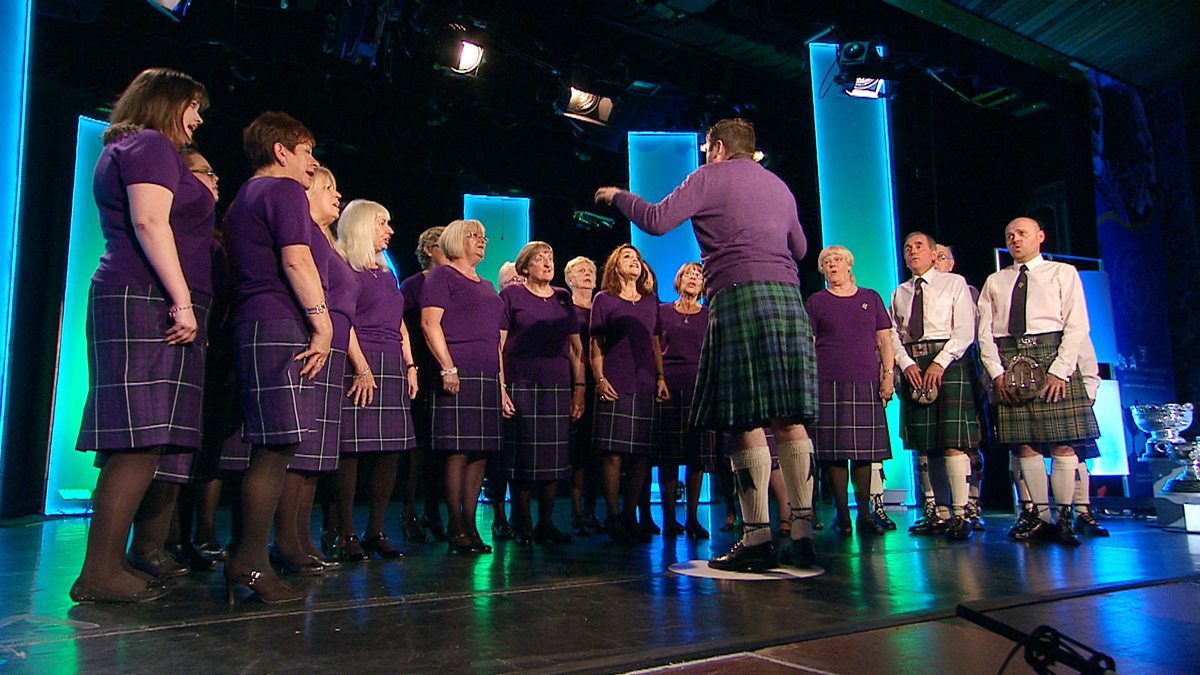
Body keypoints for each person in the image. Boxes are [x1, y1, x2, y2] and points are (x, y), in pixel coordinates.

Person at [597, 118, 818, 571]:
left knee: (744, 419)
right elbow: (800, 249)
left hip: (738, 296)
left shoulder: (709, 177)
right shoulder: (779, 186)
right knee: (790, 419)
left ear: (716, 147)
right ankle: (803, 534)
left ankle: (757, 538)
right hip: (788, 298)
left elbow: (656, 221)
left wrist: (618, 196)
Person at [71, 68, 211, 603]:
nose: (197, 119)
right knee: (138, 438)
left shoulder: (134, 147)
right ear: (166, 103)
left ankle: (107, 566)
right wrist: (181, 299)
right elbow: (151, 223)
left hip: (142, 296)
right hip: (145, 297)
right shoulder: (150, 145)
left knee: (144, 438)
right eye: (192, 107)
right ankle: (99, 572)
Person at [222, 111, 330, 603]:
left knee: (271, 446)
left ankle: (246, 556)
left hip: (253, 322)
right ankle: (248, 561)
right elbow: (296, 258)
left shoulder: (243, 197)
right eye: (306, 152)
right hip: (277, 322)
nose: (313, 162)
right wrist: (322, 323)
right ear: (281, 151)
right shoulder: (283, 191)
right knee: (276, 447)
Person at [977, 217, 1100, 546]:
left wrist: (1060, 370)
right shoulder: (995, 281)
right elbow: (984, 334)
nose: (1015, 239)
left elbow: (1077, 325)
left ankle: (1065, 518)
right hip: (1010, 360)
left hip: (1051, 356)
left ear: (1040, 237)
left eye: (1022, 233)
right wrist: (996, 373)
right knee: (1025, 445)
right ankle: (1041, 517)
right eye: (1010, 235)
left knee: (1063, 444)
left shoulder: (1063, 273)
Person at [267, 165, 354, 574]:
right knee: (298, 451)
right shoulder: (305, 235)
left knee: (314, 455)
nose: (337, 196)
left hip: (329, 347)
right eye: (329, 188)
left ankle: (300, 538)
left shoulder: (327, 242)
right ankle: (286, 541)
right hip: (310, 342)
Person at [421, 219, 514, 554]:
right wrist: (447, 367)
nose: (481, 241)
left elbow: (496, 343)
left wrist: (501, 387)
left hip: (487, 376)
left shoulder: (487, 285)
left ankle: (471, 523)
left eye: (483, 236)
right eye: (474, 236)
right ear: (456, 240)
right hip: (458, 372)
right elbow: (430, 324)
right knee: (458, 451)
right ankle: (455, 524)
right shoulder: (442, 276)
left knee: (480, 452)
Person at [332, 199, 418, 559]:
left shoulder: (385, 272)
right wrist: (361, 366)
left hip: (391, 362)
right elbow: (344, 320)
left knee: (390, 449)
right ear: (363, 226)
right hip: (359, 361)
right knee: (351, 449)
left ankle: (376, 530)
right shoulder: (344, 268)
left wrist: (410, 365)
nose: (390, 230)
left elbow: (399, 322)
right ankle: (345, 533)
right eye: (382, 223)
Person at [889, 233, 980, 541]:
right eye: (907, 248)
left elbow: (964, 330)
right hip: (914, 363)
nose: (912, 252)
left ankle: (961, 513)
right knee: (927, 445)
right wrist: (906, 364)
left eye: (919, 247)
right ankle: (940, 513)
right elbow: (893, 335)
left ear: (932, 253)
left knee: (952, 441)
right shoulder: (900, 292)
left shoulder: (954, 283)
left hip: (948, 362)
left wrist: (940, 363)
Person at [499, 242, 586, 546]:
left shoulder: (563, 298)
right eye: (539, 259)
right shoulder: (512, 296)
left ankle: (546, 524)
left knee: (554, 457)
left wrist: (579, 389)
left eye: (550, 257)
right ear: (525, 268)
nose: (548, 263)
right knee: (522, 457)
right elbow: (498, 345)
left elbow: (576, 350)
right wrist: (501, 388)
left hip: (557, 385)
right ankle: (522, 523)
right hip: (521, 382)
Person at [807, 246, 895, 536]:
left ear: (849, 266)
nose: (832, 265)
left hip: (865, 381)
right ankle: (843, 516)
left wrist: (888, 376)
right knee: (834, 452)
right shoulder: (816, 302)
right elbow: (810, 342)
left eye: (837, 260)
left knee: (863, 452)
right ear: (822, 270)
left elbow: (884, 341)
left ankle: (865, 515)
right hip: (828, 382)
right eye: (826, 262)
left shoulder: (871, 297)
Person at [587, 244, 668, 543]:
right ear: (614, 266)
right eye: (627, 257)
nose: (634, 261)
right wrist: (599, 378)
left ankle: (630, 514)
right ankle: (613, 515)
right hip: (615, 380)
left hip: (644, 382)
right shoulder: (604, 299)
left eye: (637, 258)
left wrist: (661, 377)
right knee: (613, 453)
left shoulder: (650, 301)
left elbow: (655, 344)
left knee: (640, 455)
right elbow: (596, 344)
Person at [656, 263, 721, 539]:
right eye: (688, 275)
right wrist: (659, 379)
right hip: (669, 387)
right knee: (668, 455)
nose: (693, 279)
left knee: (697, 455)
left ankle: (693, 518)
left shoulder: (709, 315)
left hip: (700, 387)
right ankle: (670, 518)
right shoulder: (662, 312)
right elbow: (655, 347)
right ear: (678, 281)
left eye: (698, 276)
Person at [398, 227, 449, 543]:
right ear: (429, 250)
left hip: (445, 370)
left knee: (440, 448)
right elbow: (402, 326)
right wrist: (411, 367)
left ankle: (434, 510)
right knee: (416, 447)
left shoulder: (454, 283)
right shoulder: (413, 285)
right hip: (420, 369)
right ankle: (409, 513)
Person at [933, 243, 987, 530]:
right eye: (933, 256)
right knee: (932, 443)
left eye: (942, 257)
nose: (936, 261)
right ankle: (937, 506)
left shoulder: (968, 291)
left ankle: (972, 503)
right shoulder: (911, 291)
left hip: (966, 368)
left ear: (952, 263)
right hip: (932, 368)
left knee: (968, 441)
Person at [485, 260, 526, 541]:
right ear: (502, 286)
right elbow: (496, 347)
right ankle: (499, 516)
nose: (518, 285)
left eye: (521, 279)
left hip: (527, 384)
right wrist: (501, 389)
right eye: (512, 281)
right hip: (503, 385)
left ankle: (521, 516)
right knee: (500, 459)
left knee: (523, 456)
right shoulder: (500, 306)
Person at [564, 256, 604, 534]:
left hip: (602, 381)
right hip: (575, 381)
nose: (588, 274)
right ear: (569, 279)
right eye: (581, 271)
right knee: (577, 449)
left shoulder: (603, 306)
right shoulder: (566, 308)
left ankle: (592, 510)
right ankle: (576, 512)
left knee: (597, 450)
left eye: (591, 270)